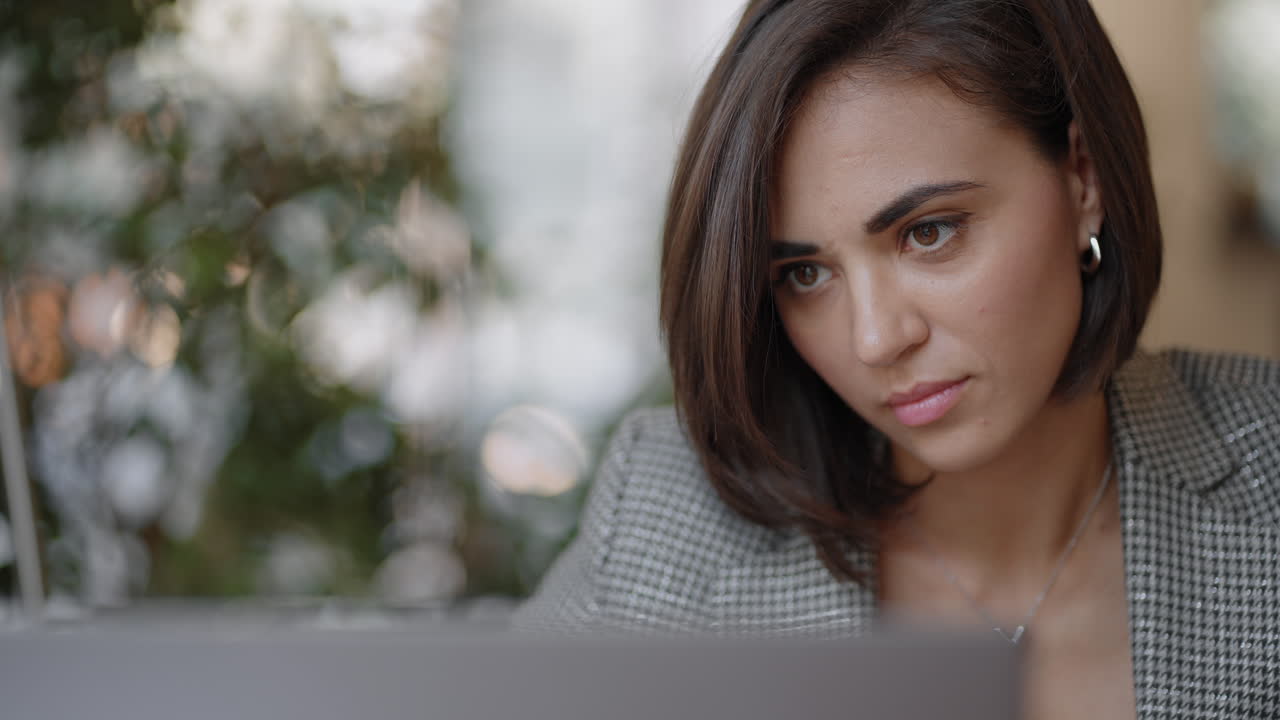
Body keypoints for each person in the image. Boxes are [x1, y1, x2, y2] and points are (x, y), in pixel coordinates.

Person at [512, 0, 1280, 717]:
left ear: (1083, 178)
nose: (876, 340)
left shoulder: (1267, 468)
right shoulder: (669, 519)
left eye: (929, 231)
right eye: (804, 274)